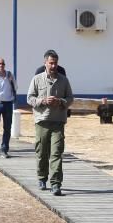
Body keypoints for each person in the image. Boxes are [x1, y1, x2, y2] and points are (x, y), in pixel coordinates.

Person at [27, 50, 74, 196]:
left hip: (58, 121)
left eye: (55, 63)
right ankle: (42, 177)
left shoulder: (64, 80)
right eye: (51, 63)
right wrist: (42, 101)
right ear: (45, 63)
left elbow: (70, 98)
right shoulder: (37, 79)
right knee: (42, 152)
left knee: (56, 153)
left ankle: (55, 184)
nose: (53, 66)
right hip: (42, 121)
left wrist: (61, 101)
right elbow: (29, 98)